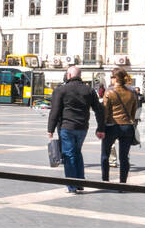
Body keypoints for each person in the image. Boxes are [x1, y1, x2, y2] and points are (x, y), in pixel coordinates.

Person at [47, 65, 104, 194]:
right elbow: (99, 110)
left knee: (69, 155)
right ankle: (80, 183)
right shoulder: (89, 91)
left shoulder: (61, 90)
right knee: (77, 152)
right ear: (80, 76)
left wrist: (50, 129)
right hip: (82, 128)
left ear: (69, 75)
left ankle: (72, 185)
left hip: (67, 127)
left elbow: (54, 111)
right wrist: (101, 128)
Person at [98, 67, 140, 185]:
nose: (111, 79)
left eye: (112, 77)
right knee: (124, 157)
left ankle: (105, 181)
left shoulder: (109, 92)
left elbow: (105, 112)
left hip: (112, 126)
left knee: (105, 155)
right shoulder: (131, 93)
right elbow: (134, 112)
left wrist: (101, 127)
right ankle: (123, 182)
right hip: (127, 127)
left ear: (116, 78)